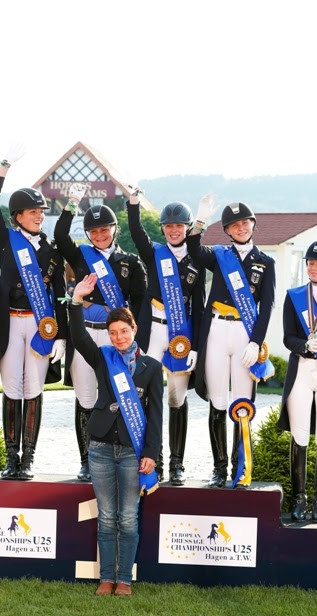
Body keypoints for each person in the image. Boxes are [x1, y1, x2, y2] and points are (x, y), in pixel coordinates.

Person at [0, 143, 68, 481]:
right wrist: (2, 168)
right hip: (10, 323)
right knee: (11, 388)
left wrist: (61, 334)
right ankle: (10, 457)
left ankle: (28, 457)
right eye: (32, 211)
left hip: (39, 325)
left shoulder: (51, 250)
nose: (39, 215)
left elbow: (59, 295)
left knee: (34, 390)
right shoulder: (6, 241)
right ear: (18, 216)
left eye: (41, 211)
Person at [69, 273, 163, 596]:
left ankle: (125, 579)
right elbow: (79, 336)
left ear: (134, 330)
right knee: (107, 517)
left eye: (124, 331)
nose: (119, 337)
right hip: (100, 447)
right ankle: (106, 578)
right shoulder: (103, 358)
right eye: (113, 333)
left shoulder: (151, 367)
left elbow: (155, 415)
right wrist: (76, 300)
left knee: (128, 517)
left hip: (132, 452)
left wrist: (152, 453)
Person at [54, 188, 147, 482]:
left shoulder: (130, 262)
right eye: (93, 231)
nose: (99, 234)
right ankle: (86, 462)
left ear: (114, 229)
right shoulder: (81, 255)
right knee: (84, 398)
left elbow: (140, 305)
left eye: (104, 229)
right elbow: (59, 236)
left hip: (115, 338)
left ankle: (120, 455)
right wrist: (71, 204)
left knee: (118, 395)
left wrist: (138, 344)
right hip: (84, 334)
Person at [186, 198, 275, 487]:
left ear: (252, 224)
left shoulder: (266, 262)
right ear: (226, 230)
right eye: (234, 225)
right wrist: (199, 221)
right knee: (217, 402)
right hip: (216, 331)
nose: (240, 227)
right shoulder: (220, 255)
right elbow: (194, 251)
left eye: (244, 222)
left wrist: (256, 341)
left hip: (244, 335)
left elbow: (267, 306)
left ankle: (241, 468)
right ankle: (218, 468)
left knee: (242, 403)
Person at [127, 192, 205, 485]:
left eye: (179, 226)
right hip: (152, 331)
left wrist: (195, 345)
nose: (174, 231)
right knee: (145, 394)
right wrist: (133, 203)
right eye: (168, 226)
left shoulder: (196, 260)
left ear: (186, 228)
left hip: (180, 336)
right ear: (163, 229)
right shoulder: (154, 253)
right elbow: (136, 233)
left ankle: (177, 463)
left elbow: (199, 306)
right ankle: (152, 459)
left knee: (176, 398)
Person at [277, 240, 317, 521]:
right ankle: (299, 498)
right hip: (302, 370)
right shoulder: (294, 295)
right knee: (300, 433)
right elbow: (287, 336)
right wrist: (305, 347)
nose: (314, 268)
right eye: (311, 263)